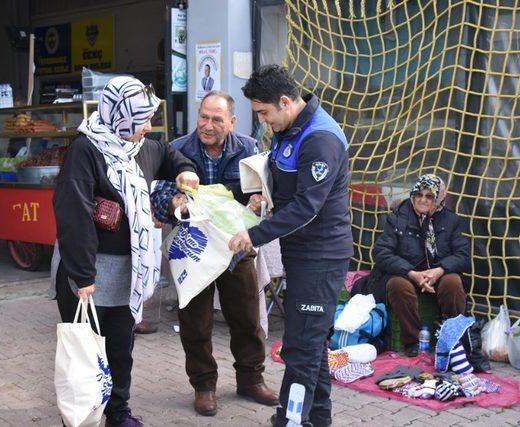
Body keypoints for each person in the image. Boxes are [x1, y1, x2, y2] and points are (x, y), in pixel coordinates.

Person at [51, 76, 199, 427]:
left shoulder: (143, 147)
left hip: (129, 271)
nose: (148, 126)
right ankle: (81, 415)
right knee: (88, 349)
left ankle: (118, 412)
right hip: (90, 269)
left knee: (120, 345)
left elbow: (171, 155)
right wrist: (83, 276)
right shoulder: (86, 150)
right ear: (120, 117)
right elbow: (74, 214)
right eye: (142, 119)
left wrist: (186, 173)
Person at [229, 65, 353, 427]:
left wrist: (254, 234)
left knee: (299, 349)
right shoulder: (288, 128)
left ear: (285, 102)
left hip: (322, 256)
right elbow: (286, 186)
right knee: (311, 347)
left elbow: (306, 207)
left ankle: (290, 420)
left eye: (265, 113)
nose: (264, 121)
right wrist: (261, 197)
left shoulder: (321, 138)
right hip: (299, 253)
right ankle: (319, 420)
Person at [153, 90, 278, 416]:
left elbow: (264, 190)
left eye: (216, 120)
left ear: (232, 122)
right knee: (195, 322)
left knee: (247, 319)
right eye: (203, 117)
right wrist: (173, 202)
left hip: (236, 249)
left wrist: (258, 203)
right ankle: (204, 385)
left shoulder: (249, 148)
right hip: (194, 253)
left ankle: (251, 380)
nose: (207, 125)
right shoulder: (176, 149)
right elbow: (158, 194)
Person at [370, 174, 469, 357]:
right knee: (397, 285)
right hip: (407, 273)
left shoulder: (451, 220)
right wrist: (411, 272)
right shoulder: (398, 217)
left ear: (439, 199)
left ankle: (454, 339)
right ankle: (412, 342)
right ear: (413, 195)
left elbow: (463, 256)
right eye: (418, 194)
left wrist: (439, 270)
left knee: (453, 282)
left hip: (437, 274)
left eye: (429, 196)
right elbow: (382, 253)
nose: (423, 200)